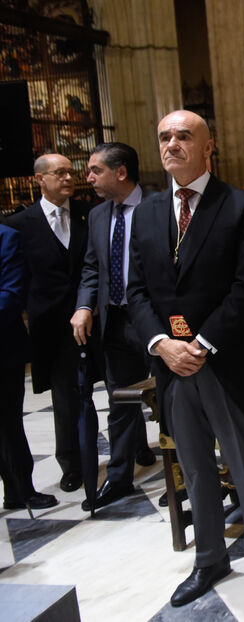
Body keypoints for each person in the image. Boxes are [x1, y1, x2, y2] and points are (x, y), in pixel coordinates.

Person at [127, 110, 244, 607]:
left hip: (221, 356)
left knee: (243, 461)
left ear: (208, 146)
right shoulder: (148, 212)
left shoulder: (240, 206)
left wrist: (200, 344)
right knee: (194, 465)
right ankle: (210, 558)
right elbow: (135, 292)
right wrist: (162, 344)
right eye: (164, 137)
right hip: (171, 363)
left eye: (183, 136)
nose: (172, 144)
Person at [71, 142, 156, 511]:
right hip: (115, 322)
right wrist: (84, 306)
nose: (88, 177)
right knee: (120, 402)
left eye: (95, 170)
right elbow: (93, 268)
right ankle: (119, 477)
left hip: (155, 321)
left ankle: (185, 474)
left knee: (171, 400)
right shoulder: (99, 215)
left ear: (120, 172)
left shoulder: (158, 207)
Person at [5, 154, 92, 494]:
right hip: (51, 325)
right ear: (39, 179)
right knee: (64, 395)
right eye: (60, 172)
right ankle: (71, 464)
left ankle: (136, 449)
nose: (69, 177)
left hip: (92, 317)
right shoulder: (19, 224)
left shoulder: (89, 214)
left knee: (114, 387)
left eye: (71, 171)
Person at [0, 223, 59, 511]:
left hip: (3, 349)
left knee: (9, 422)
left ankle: (21, 489)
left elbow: (11, 295)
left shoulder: (6, 238)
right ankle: (12, 488)